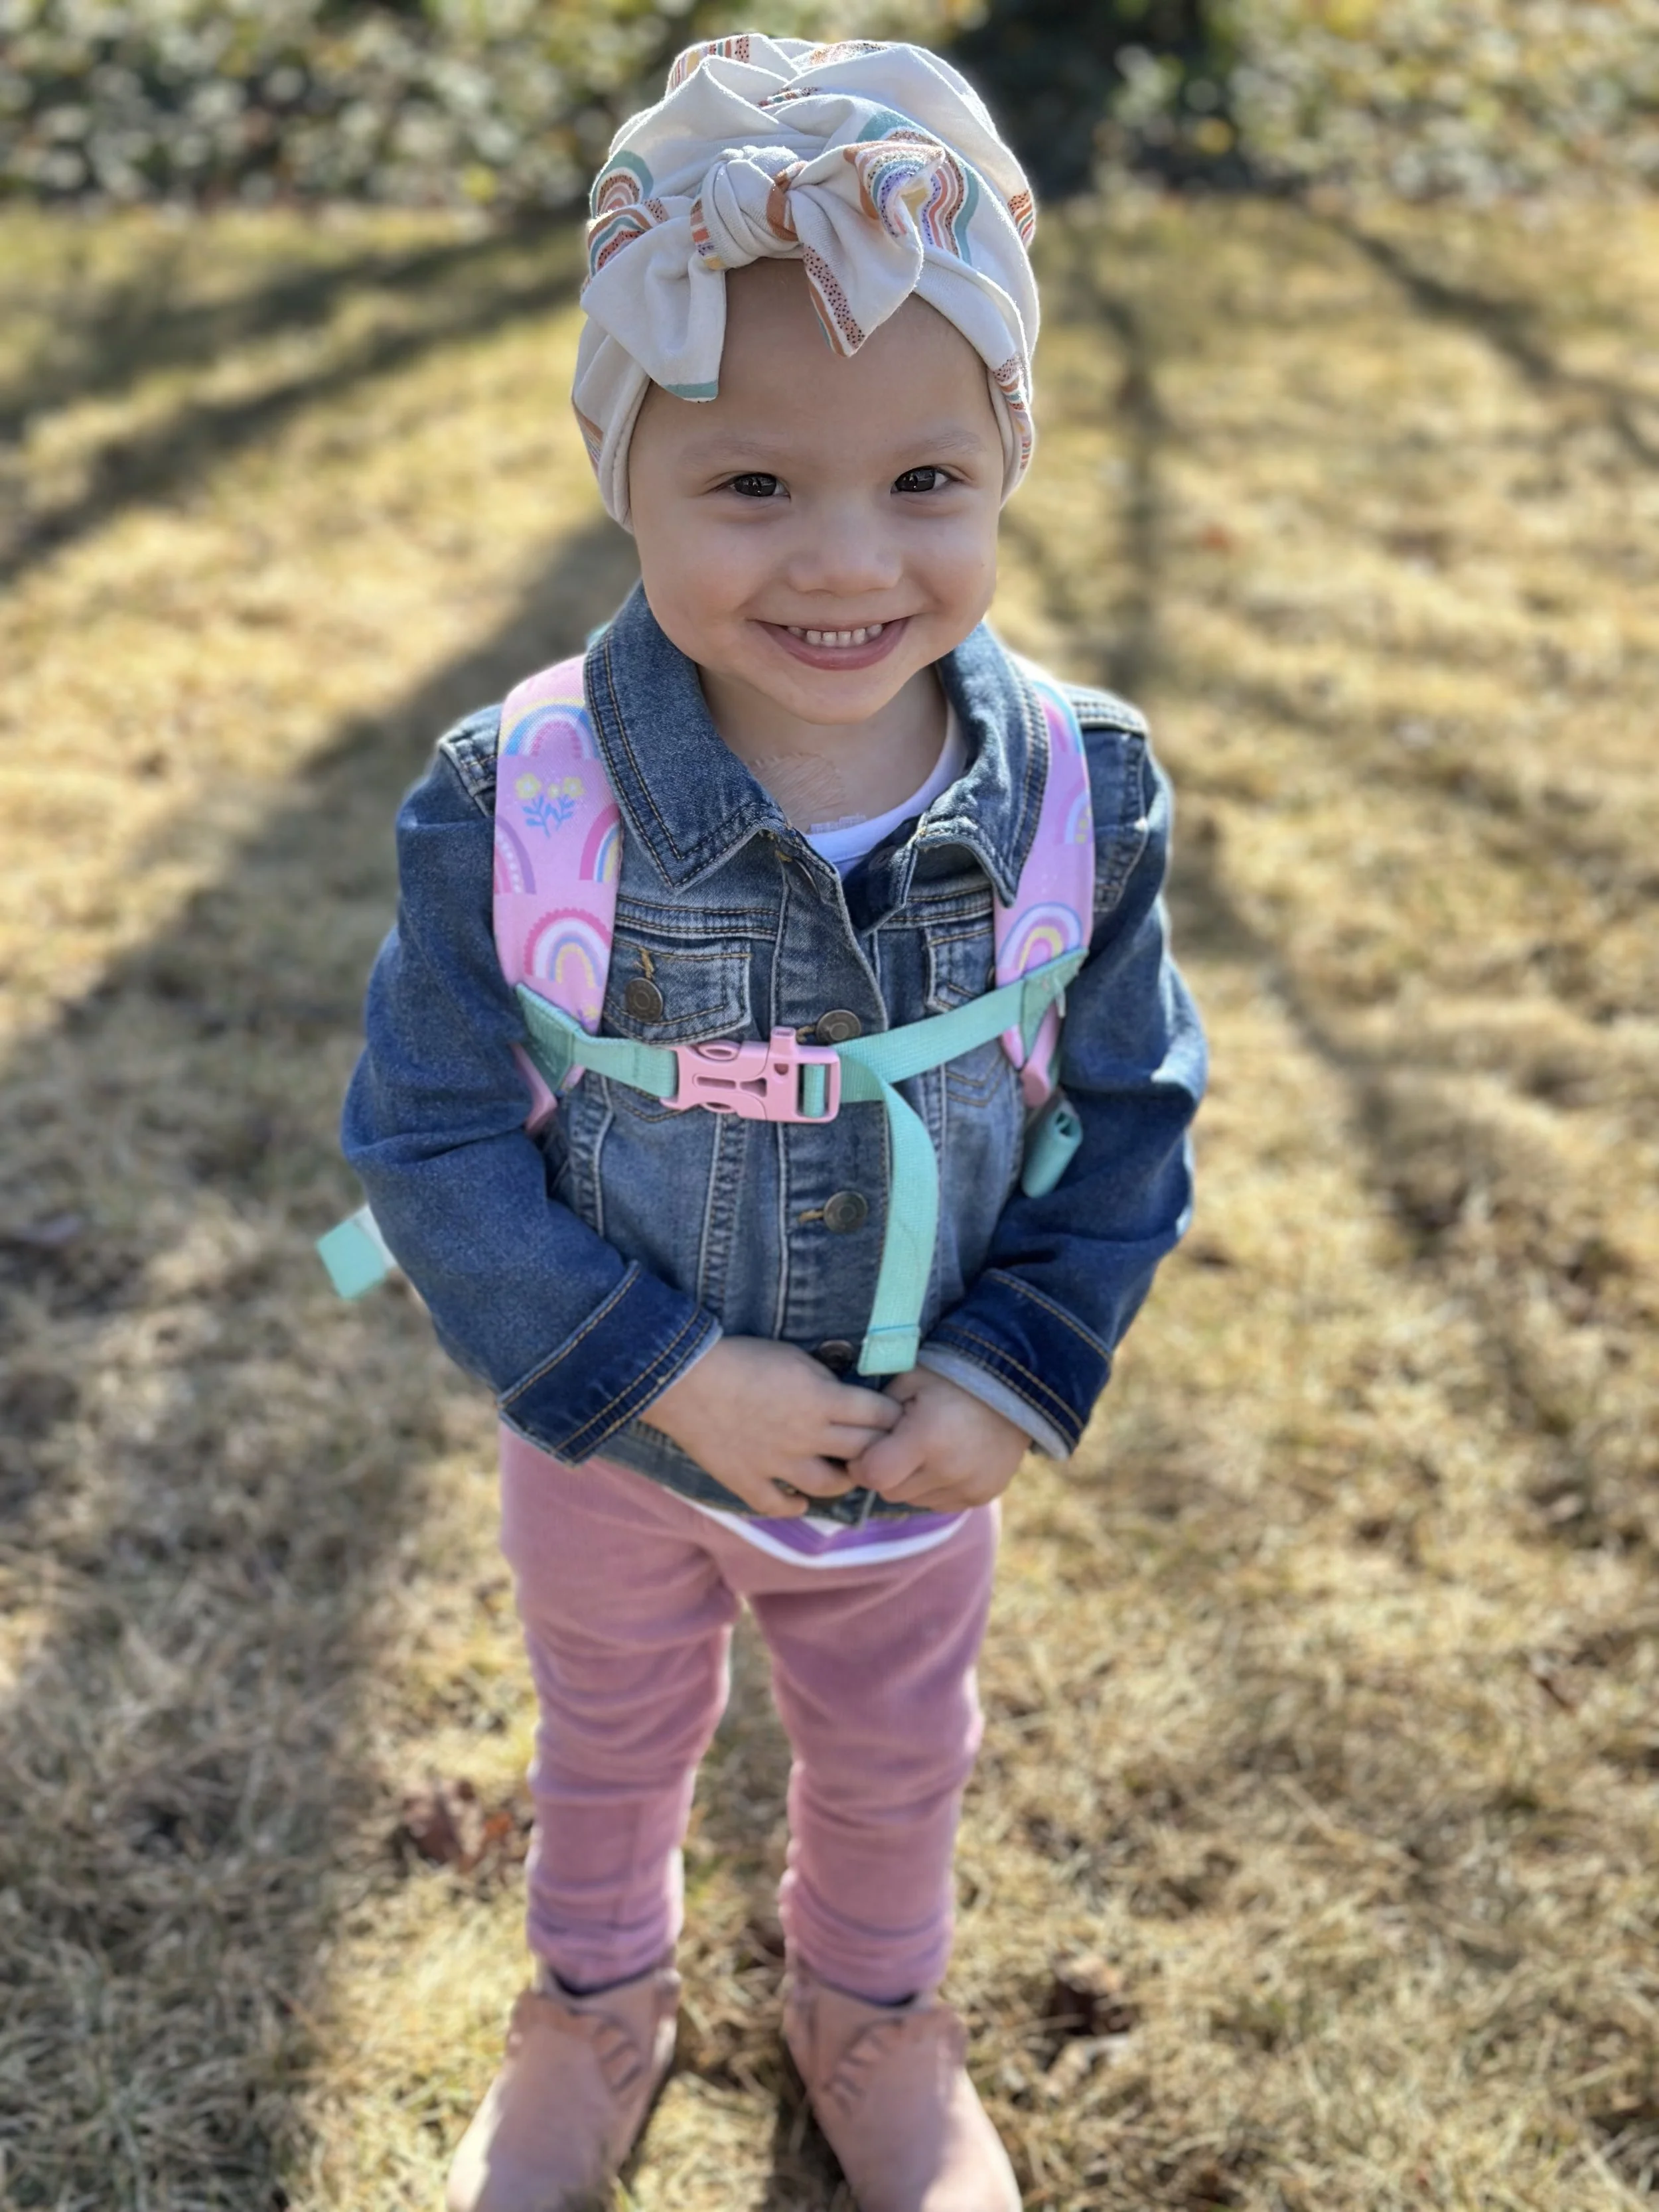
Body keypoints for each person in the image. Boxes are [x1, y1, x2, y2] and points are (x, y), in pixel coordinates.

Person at [342, 32, 1206, 2212]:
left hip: (912, 1446)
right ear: (621, 470)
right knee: (611, 1740)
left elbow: (1131, 1105)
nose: (846, 560)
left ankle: (874, 2015)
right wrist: (660, 1373)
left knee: (899, 1752)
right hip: (614, 1437)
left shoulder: (1079, 796)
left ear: (1002, 467)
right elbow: (428, 1141)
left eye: (927, 482)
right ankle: (591, 2006)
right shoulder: (510, 798)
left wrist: (1021, 1364)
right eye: (749, 485)